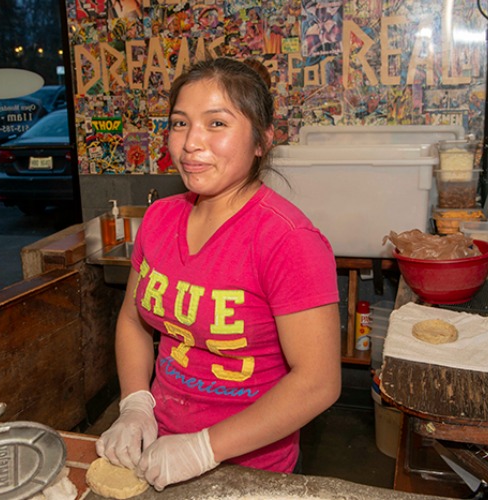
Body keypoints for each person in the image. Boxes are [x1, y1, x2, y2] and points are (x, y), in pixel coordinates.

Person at [95, 57, 341, 491]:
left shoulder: (288, 240)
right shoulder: (158, 219)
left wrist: (203, 448)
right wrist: (136, 403)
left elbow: (318, 383)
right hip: (158, 446)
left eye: (216, 124)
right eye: (179, 123)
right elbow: (133, 320)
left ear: (262, 141)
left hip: (250, 468)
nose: (191, 143)